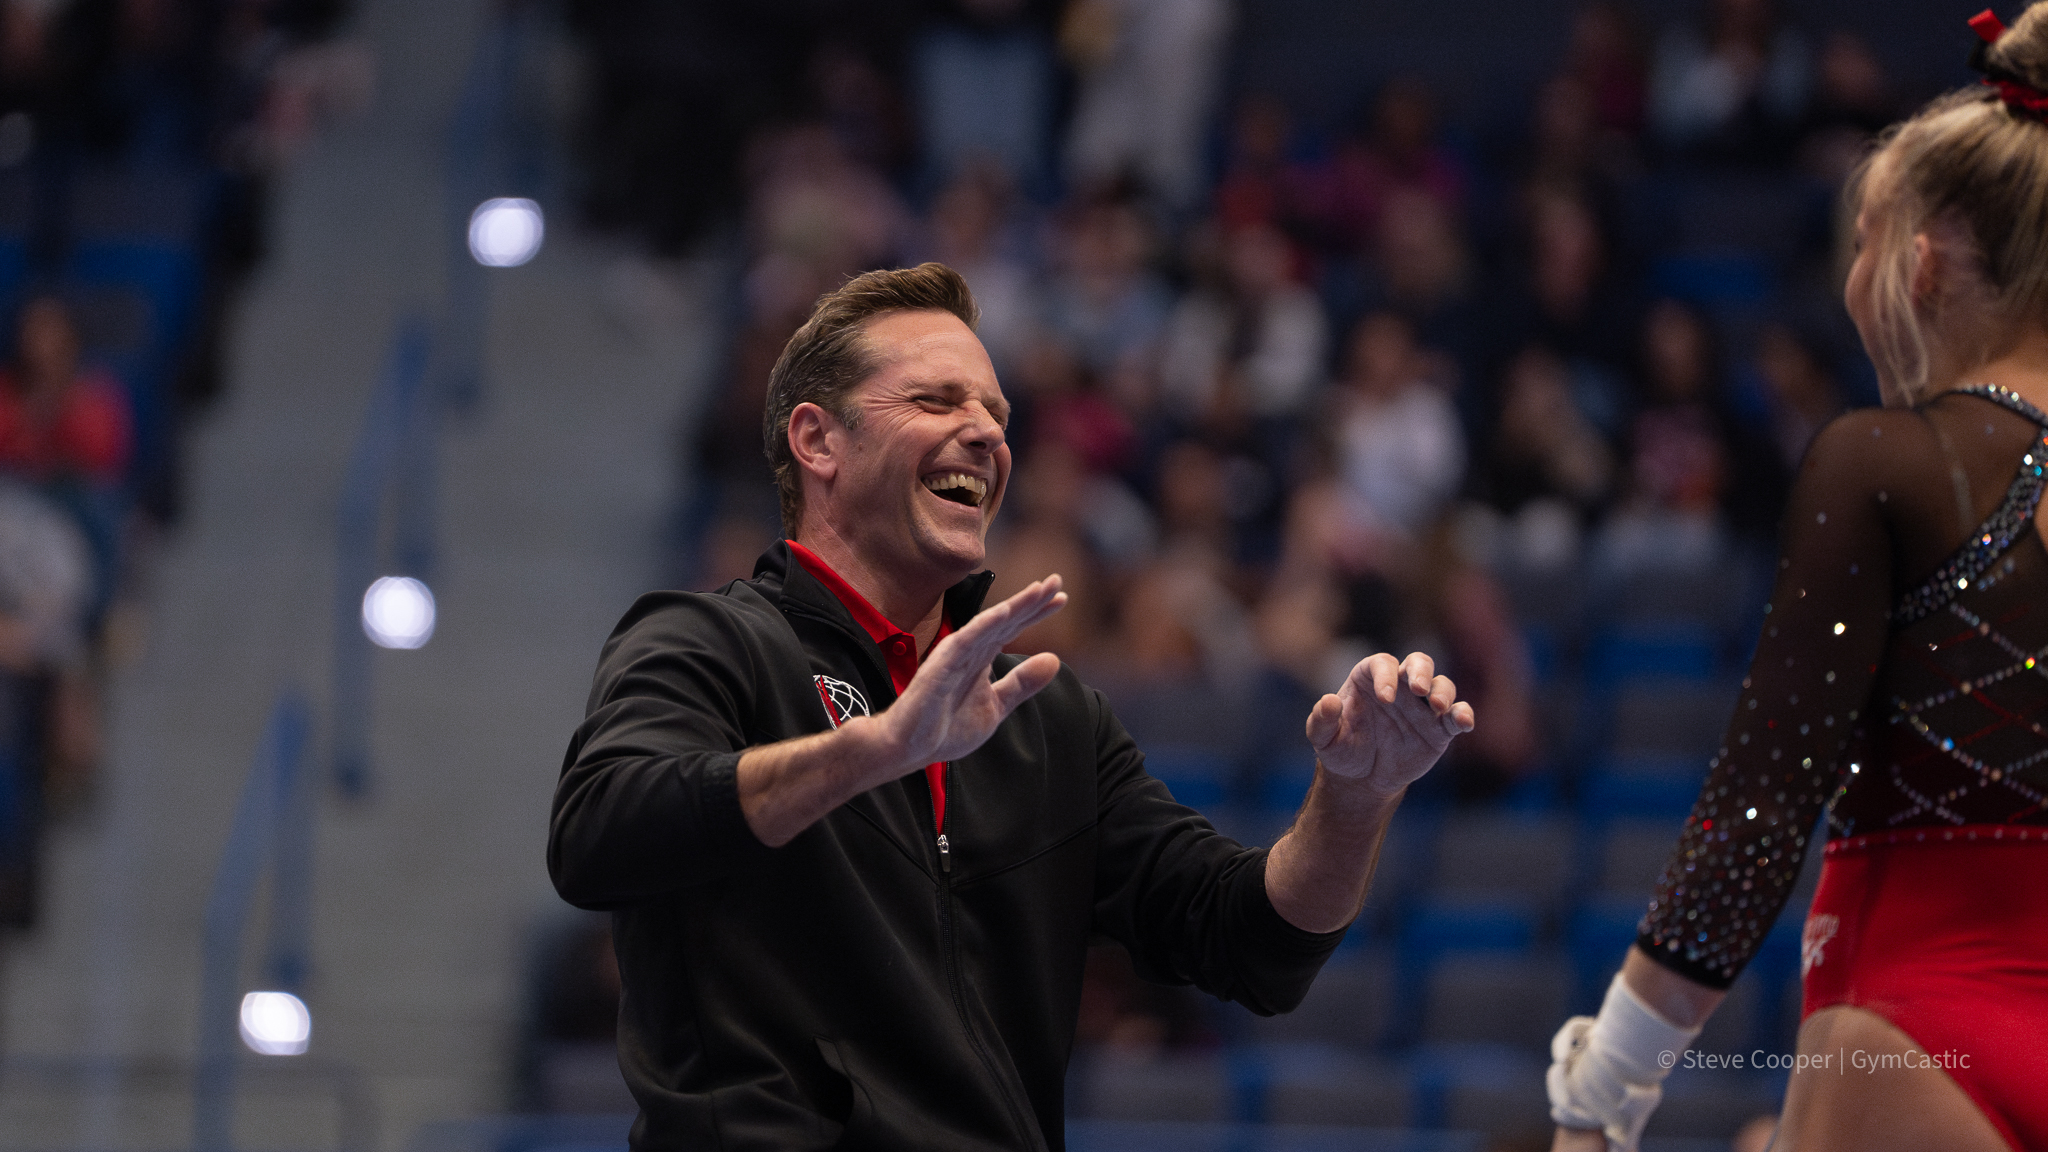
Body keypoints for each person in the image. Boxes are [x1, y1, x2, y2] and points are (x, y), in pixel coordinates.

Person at [550, 263, 1474, 1151]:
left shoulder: (1045, 715)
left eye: (996, 413)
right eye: (936, 401)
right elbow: (600, 833)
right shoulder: (705, 643)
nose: (988, 435)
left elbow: (1255, 948)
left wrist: (1354, 799)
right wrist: (874, 750)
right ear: (818, 441)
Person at [1547, 8, 2048, 1151]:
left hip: (1917, 1032)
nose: (1850, 284)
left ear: (1919, 266)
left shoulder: (1889, 464)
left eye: (1859, 247)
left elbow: (1755, 817)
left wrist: (1602, 1092)